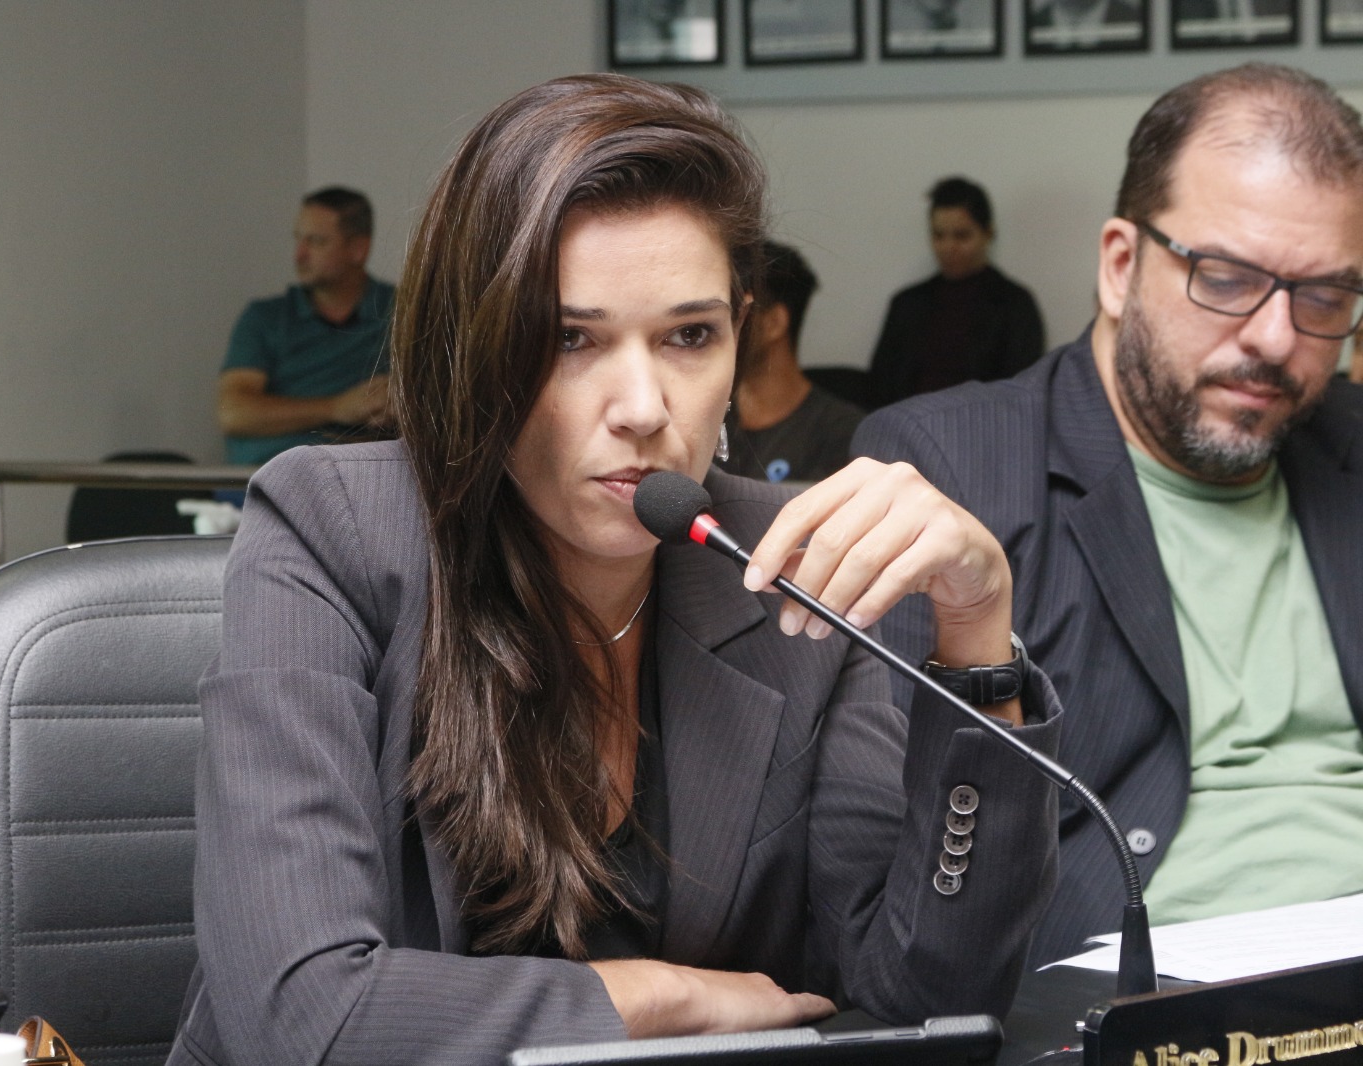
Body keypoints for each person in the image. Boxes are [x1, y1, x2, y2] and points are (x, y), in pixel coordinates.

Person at [170, 74, 1063, 1066]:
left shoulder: (779, 560)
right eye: (570, 338)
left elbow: (927, 998)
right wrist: (661, 996)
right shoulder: (331, 528)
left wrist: (976, 634)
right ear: (474, 349)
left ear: (742, 333)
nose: (643, 407)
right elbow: (303, 1018)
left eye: (689, 336)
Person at [854, 63, 1363, 967]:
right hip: (1150, 984)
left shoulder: (1348, 447)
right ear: (1122, 266)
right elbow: (905, 900)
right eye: (1226, 278)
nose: (1275, 338)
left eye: (1324, 296)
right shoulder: (951, 471)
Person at [216, 186, 394, 467]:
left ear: (358, 250)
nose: (299, 255)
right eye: (298, 239)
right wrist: (336, 407)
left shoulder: (401, 311)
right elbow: (233, 413)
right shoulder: (265, 318)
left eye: (317, 241)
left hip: (360, 477)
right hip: (264, 479)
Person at [867, 177, 1045, 407]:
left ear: (988, 234)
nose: (948, 247)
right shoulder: (907, 304)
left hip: (981, 425)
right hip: (907, 424)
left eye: (961, 236)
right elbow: (879, 388)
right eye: (938, 235)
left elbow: (1021, 394)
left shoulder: (1014, 306)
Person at [720, 241, 865, 483]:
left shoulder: (844, 434)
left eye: (735, 313)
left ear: (774, 323)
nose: (719, 327)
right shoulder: (708, 418)